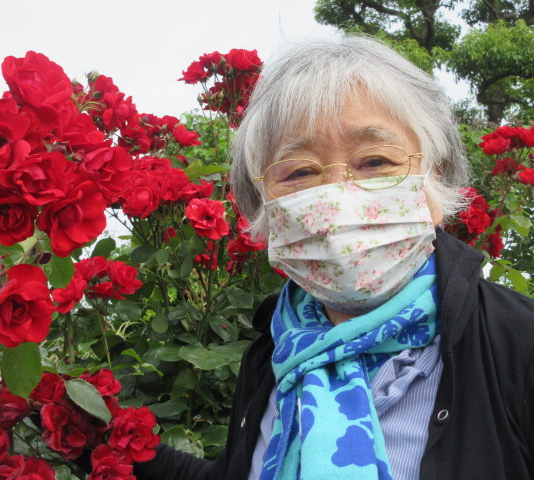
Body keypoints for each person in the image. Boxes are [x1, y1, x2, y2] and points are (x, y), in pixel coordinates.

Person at [135, 35, 534, 480]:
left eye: (377, 161)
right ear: (263, 206)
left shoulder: (518, 343)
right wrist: (108, 443)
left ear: (433, 179)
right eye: (301, 171)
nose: (340, 194)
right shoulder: (276, 351)